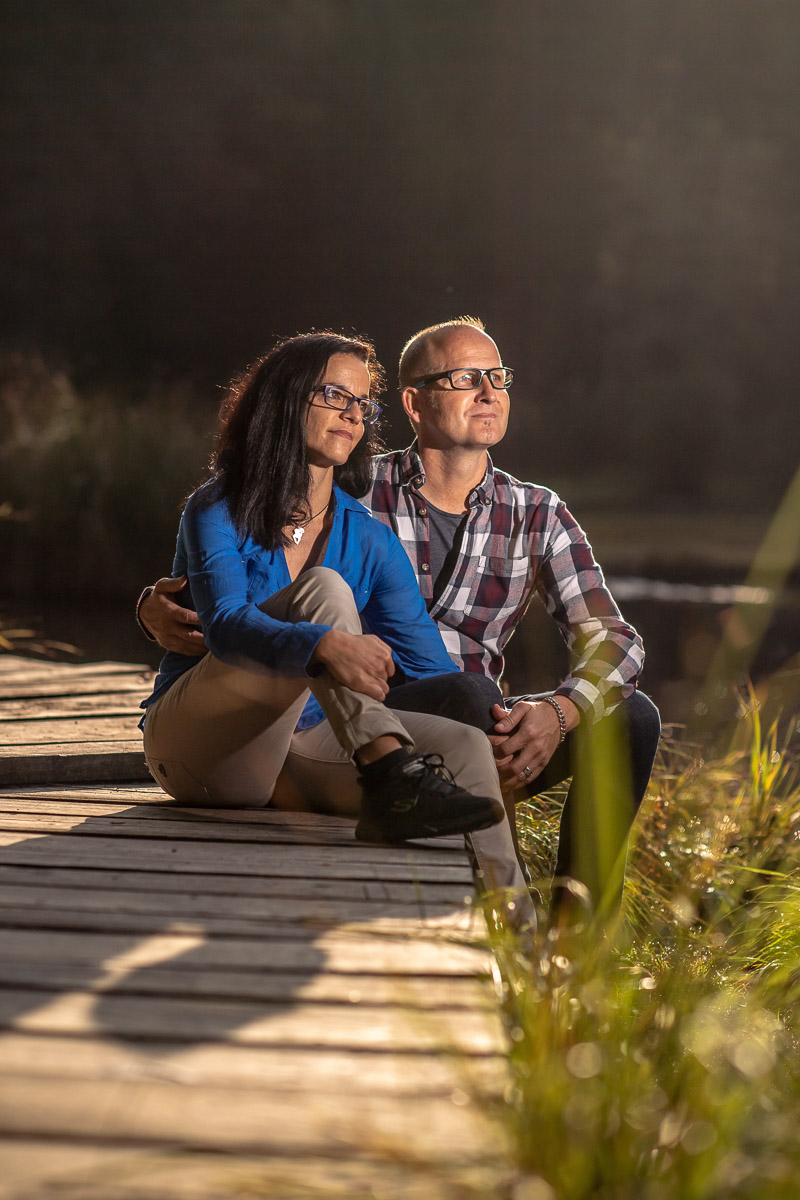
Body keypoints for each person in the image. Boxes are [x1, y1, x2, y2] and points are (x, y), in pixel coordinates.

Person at [140, 319, 661, 922]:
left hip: (430, 713)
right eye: (466, 379)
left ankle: (556, 950)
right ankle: (413, 793)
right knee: (390, 639)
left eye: (498, 377)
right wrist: (152, 606)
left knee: (626, 716)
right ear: (415, 403)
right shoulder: (357, 484)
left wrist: (553, 714)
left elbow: (613, 638)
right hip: (337, 708)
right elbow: (224, 595)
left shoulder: (534, 513)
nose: (490, 392)